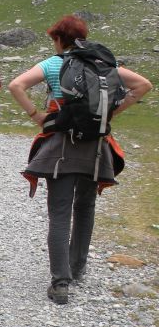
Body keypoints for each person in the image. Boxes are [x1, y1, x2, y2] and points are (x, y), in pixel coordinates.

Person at [8, 15, 152, 305]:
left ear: (59, 39)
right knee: (85, 208)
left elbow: (16, 86)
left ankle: (60, 283)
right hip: (96, 148)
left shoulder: (53, 64)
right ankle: (78, 267)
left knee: (59, 213)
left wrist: (36, 115)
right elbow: (143, 85)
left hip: (61, 146)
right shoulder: (103, 65)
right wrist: (110, 113)